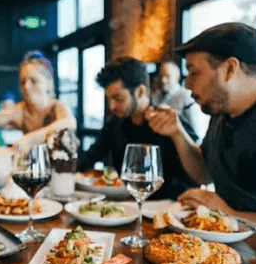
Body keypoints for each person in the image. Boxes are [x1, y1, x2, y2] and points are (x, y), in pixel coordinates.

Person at [146, 22, 256, 234]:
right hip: (226, 244)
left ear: (229, 69)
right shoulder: (221, 110)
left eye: (194, 73)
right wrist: (177, 132)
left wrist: (229, 215)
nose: (187, 84)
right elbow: (204, 173)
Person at [77, 57, 199, 200]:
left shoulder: (169, 123)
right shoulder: (115, 124)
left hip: (163, 207)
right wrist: (63, 164)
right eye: (109, 99)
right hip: (124, 205)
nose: (111, 106)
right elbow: (90, 156)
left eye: (118, 98)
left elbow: (193, 178)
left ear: (140, 91)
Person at [155, 61, 210, 138]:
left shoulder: (187, 96)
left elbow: (197, 130)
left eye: (167, 76)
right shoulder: (157, 95)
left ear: (177, 77)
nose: (163, 80)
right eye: (161, 76)